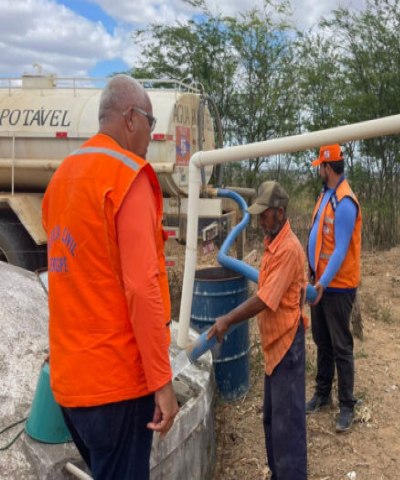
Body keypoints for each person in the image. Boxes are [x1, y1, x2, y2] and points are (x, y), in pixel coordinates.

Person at [41, 75, 179, 479]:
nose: (151, 137)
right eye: (151, 124)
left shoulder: (62, 179)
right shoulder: (128, 178)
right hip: (116, 389)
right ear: (131, 118)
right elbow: (141, 287)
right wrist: (163, 383)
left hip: (70, 389)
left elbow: (68, 276)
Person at [208, 180, 308, 479]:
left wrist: (227, 319)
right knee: (272, 422)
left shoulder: (288, 249)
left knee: (287, 427)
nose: (259, 219)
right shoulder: (272, 244)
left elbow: (265, 298)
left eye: (264, 214)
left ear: (280, 212)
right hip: (274, 346)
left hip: (287, 344)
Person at [305, 144, 362, 433]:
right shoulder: (327, 195)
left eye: (320, 165)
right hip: (321, 283)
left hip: (336, 287)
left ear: (327, 167)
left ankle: (347, 406)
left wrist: (322, 284)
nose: (319, 169)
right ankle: (322, 394)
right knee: (322, 341)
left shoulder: (345, 201)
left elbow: (339, 250)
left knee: (341, 346)